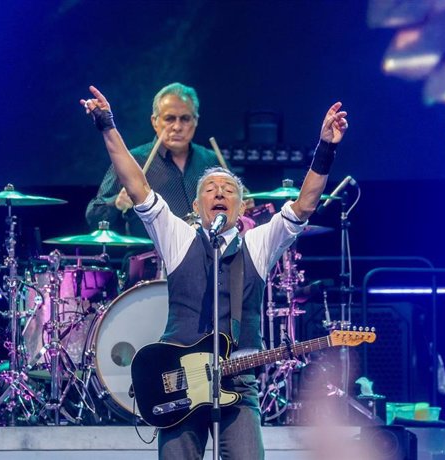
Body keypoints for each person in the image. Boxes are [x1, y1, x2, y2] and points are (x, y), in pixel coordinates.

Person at [80, 85, 348, 460]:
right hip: (176, 378)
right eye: (210, 188)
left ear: (242, 210)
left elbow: (304, 205)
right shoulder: (179, 237)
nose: (219, 192)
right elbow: (136, 184)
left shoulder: (257, 245)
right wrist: (107, 125)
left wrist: (326, 148)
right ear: (195, 205)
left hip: (238, 378)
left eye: (228, 189)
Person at [85, 82, 221, 237]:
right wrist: (116, 203)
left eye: (185, 119)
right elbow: (93, 216)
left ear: (195, 120)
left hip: (203, 258)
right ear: (154, 121)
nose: (177, 127)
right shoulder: (132, 161)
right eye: (169, 119)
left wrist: (241, 203)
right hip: (147, 258)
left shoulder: (212, 161)